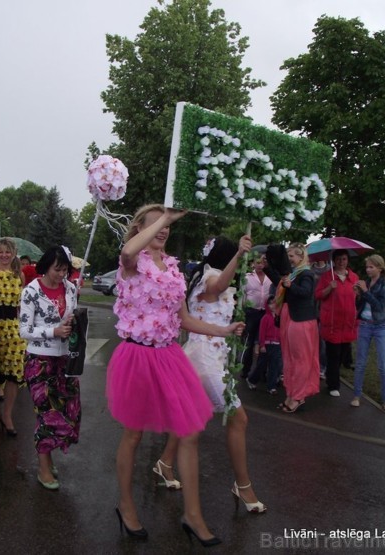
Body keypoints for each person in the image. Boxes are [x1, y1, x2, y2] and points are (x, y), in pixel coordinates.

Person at [107, 204, 243, 547]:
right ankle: (125, 505)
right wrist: (164, 217)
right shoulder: (132, 264)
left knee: (190, 430)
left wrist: (223, 330)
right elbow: (127, 250)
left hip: (168, 356)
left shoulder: (172, 269)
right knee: (133, 435)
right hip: (137, 356)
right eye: (156, 223)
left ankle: (193, 514)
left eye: (167, 223)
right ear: (141, 227)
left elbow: (183, 320)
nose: (164, 229)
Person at [182, 235, 267, 515]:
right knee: (238, 418)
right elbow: (217, 288)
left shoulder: (211, 276)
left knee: (193, 421)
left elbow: (216, 311)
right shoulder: (210, 277)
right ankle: (243, 485)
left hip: (215, 356)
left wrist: (233, 327)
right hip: (203, 358)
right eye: (235, 255)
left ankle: (165, 464)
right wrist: (239, 256)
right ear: (227, 256)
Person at [19, 246, 80, 490]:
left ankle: (49, 455)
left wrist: (73, 323)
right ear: (45, 266)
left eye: (65, 269)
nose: (61, 275)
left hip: (65, 360)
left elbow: (72, 317)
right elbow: (24, 331)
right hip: (39, 360)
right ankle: (43, 468)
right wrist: (52, 331)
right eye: (57, 269)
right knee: (46, 413)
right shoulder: (31, 292)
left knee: (69, 411)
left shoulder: (71, 289)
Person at [264, 243, 319, 413]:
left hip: (301, 320)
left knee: (300, 359)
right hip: (289, 318)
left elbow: (306, 293)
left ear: (301, 256)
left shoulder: (307, 274)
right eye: (288, 256)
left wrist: (290, 285)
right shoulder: (294, 274)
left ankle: (298, 396)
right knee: (290, 358)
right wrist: (267, 268)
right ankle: (292, 393)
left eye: (292, 256)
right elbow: (282, 283)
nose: (289, 259)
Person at [0, 238, 27, 432]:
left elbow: (22, 307)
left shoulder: (20, 276)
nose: (4, 255)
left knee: (14, 372)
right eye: (1, 252)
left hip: (13, 328)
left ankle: (7, 415)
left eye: (8, 252)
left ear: (14, 254)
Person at [351, 255, 385, 412]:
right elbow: (361, 306)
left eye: (371, 267)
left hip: (381, 326)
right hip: (364, 325)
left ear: (380, 268)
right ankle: (356, 396)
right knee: (360, 362)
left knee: (383, 365)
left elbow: (379, 307)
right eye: (367, 267)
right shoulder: (367, 283)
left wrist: (365, 291)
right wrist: (358, 294)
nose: (368, 270)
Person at [315, 250, 359, 397]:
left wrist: (359, 293)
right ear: (334, 261)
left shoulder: (353, 277)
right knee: (333, 354)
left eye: (344, 259)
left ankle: (330, 374)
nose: (342, 262)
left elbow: (358, 297)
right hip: (332, 323)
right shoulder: (327, 277)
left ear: (348, 260)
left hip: (347, 323)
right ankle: (333, 384)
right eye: (339, 259)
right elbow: (318, 295)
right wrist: (329, 288)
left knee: (342, 354)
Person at [241, 251, 271, 379]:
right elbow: (242, 295)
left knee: (265, 342)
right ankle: (245, 369)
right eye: (257, 262)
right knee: (250, 341)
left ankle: (261, 372)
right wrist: (243, 310)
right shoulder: (247, 277)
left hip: (266, 313)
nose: (260, 265)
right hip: (252, 312)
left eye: (263, 263)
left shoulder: (270, 278)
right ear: (253, 263)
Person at [247, 295, 283, 395]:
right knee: (261, 365)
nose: (273, 305)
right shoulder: (265, 318)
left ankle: (271, 387)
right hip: (267, 345)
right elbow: (261, 333)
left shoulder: (280, 318)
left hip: (277, 345)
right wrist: (261, 345)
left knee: (274, 367)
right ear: (267, 305)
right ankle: (252, 380)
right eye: (270, 303)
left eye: (274, 302)